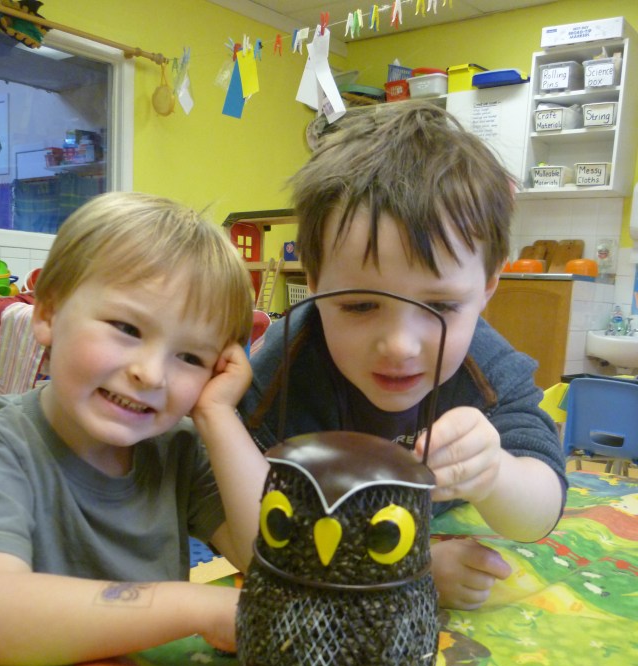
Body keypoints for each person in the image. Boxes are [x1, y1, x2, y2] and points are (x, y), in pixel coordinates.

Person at [239, 101, 567, 610]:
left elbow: (540, 512)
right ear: (314, 277)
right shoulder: (281, 368)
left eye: (438, 306)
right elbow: (248, 521)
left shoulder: (486, 366)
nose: (399, 345)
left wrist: (496, 473)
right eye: (359, 304)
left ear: (487, 286)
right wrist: (411, 569)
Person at [0, 191, 268, 666]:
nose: (152, 374)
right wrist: (192, 605)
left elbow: (279, 563)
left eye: (190, 357)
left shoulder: (180, 449)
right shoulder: (7, 443)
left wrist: (217, 415)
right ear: (48, 314)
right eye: (126, 327)